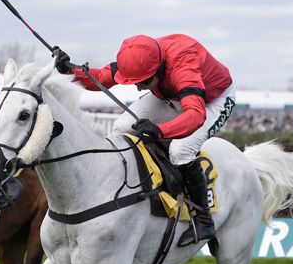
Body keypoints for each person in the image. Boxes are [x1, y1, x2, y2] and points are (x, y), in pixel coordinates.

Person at [54, 34, 236, 247]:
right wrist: (70, 71)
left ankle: (203, 218)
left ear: (158, 69)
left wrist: (159, 130)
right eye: (136, 83)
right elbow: (101, 78)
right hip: (171, 95)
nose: (140, 88)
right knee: (123, 126)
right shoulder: (139, 55)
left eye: (144, 82)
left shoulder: (183, 67)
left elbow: (195, 115)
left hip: (211, 101)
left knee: (180, 151)